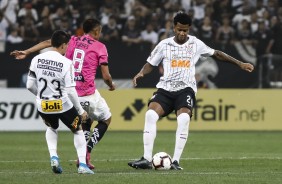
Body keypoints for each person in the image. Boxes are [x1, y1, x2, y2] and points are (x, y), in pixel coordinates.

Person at [128, 11, 254, 170]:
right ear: (174, 28)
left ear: (189, 29)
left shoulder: (196, 44)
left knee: (183, 119)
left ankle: (175, 161)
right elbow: (150, 64)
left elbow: (217, 54)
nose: (182, 33)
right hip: (165, 89)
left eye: (185, 30)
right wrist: (141, 73)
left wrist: (240, 64)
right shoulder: (164, 44)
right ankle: (146, 159)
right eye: (179, 29)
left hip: (185, 90)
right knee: (150, 115)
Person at [11, 18, 115, 170]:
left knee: (80, 122)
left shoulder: (72, 40)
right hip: (87, 93)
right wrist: (111, 85)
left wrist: (26, 52)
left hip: (67, 95)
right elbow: (106, 76)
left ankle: (62, 156)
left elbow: (48, 42)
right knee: (106, 119)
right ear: (97, 31)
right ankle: (86, 153)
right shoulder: (100, 47)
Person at [26, 30, 93, 174]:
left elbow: (29, 85)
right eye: (67, 45)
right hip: (63, 104)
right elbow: (70, 91)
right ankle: (82, 165)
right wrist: (81, 111)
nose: (68, 47)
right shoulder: (66, 63)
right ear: (63, 45)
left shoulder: (36, 59)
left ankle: (54, 157)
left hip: (43, 105)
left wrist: (42, 96)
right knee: (78, 129)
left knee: (51, 128)